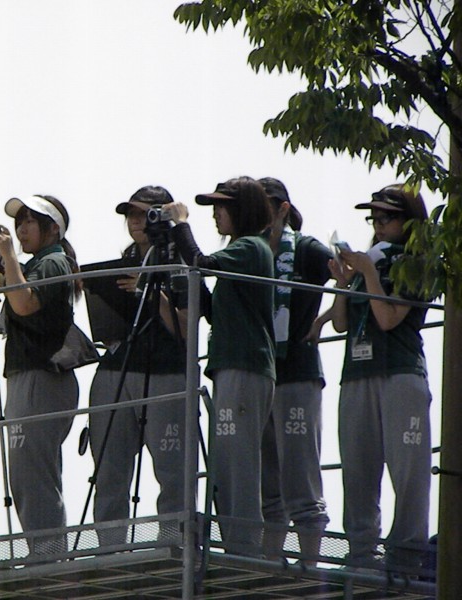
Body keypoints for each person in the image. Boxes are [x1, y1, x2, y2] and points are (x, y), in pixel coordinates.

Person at [168, 176, 275, 556]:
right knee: (226, 464)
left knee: (239, 462)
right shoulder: (240, 251)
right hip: (232, 365)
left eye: (222, 207)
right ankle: (236, 545)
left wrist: (181, 225)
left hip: (245, 366)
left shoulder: (251, 247)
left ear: (241, 210)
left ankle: (245, 548)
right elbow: (215, 311)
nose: (215, 214)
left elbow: (202, 262)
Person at [328, 184, 432, 572]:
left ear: (410, 221)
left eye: (387, 217)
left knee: (408, 471)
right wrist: (344, 281)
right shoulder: (369, 261)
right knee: (357, 469)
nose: (378, 225)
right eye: (374, 218)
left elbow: (388, 319)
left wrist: (369, 272)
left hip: (400, 371)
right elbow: (341, 323)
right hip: (357, 372)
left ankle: (406, 557)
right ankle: (361, 554)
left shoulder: (415, 263)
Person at [87, 185, 199, 545]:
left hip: (166, 372)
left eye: (143, 213)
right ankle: (109, 552)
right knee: (109, 469)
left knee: (172, 469)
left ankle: (175, 545)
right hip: (117, 368)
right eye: (131, 215)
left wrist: (150, 292)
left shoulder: (181, 262)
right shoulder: (123, 261)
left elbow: (186, 328)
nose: (135, 221)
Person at [0, 194, 82, 554]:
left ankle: (48, 556)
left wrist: (10, 259)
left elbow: (25, 304)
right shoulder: (34, 265)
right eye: (19, 222)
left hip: (41, 377)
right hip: (28, 376)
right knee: (26, 473)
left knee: (33, 473)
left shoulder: (53, 262)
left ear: (53, 229)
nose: (21, 229)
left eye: (31, 221)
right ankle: (44, 552)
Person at [257, 177, 332, 565]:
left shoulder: (306, 248)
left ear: (283, 208)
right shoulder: (249, 251)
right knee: (266, 482)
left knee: (301, 475)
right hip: (260, 373)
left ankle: (310, 565)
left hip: (298, 372)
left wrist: (325, 318)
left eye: (264, 205)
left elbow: (347, 274)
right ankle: (272, 563)